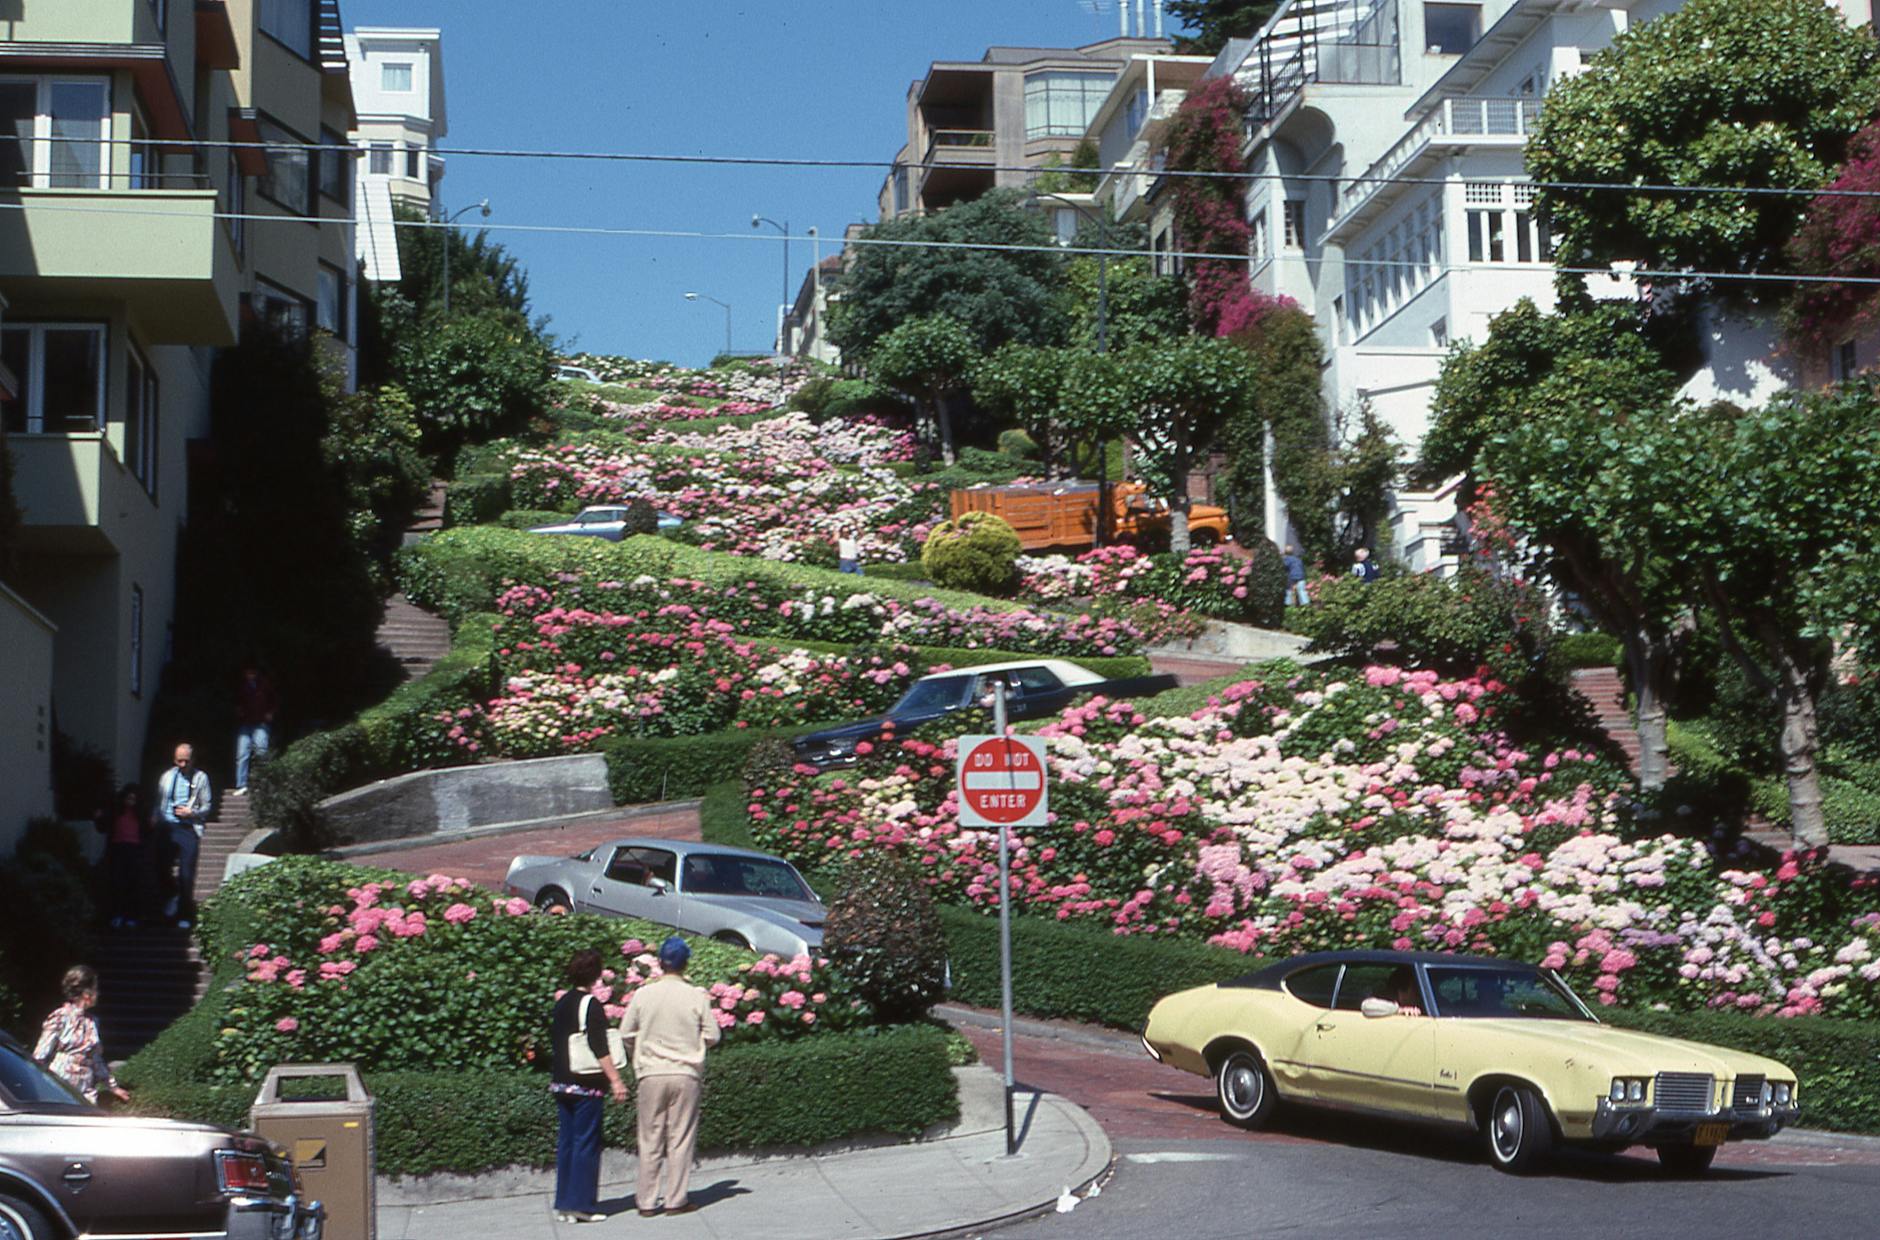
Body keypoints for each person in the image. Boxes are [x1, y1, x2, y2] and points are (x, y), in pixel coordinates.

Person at [620, 936, 721, 1218]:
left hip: (651, 1072)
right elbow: (713, 1035)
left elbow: (626, 1033)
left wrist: (638, 1054)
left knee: (650, 1137)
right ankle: (676, 1199)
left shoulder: (643, 994)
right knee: (680, 1138)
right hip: (685, 1072)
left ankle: (647, 1202)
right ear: (685, 963)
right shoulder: (695, 995)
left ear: (661, 963)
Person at [549, 948, 629, 1224]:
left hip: (562, 1083)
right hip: (586, 1085)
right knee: (586, 1144)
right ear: (595, 974)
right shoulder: (590, 1004)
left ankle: (565, 1204)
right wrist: (616, 1080)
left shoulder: (562, 1002)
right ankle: (582, 1205)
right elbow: (599, 1046)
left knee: (568, 1143)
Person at [34, 966, 129, 1105]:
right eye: (95, 989)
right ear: (86, 993)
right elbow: (40, 1055)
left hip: (85, 1088)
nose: (98, 993)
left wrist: (113, 1087)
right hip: (60, 1084)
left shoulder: (92, 1022)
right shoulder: (60, 1017)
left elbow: (96, 1059)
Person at [153, 742, 212, 929]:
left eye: (186, 761)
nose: (183, 764)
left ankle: (185, 914)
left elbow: (207, 806)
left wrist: (191, 812)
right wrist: (155, 817)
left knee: (187, 873)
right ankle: (172, 895)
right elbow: (159, 800)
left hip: (188, 828)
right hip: (167, 826)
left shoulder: (201, 778)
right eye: (179, 761)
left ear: (193, 760)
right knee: (161, 867)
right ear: (174, 760)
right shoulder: (167, 777)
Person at [97, 783, 148, 930]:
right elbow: (103, 827)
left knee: (133, 883)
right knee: (117, 882)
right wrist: (99, 817)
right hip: (118, 848)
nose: (131, 801)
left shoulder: (141, 813)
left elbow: (147, 832)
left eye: (133, 799)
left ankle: (132, 916)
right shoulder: (116, 812)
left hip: (135, 849)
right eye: (128, 798)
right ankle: (117, 914)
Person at [232, 663, 278, 795]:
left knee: (262, 752)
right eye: (248, 673)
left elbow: (274, 700)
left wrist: (270, 713)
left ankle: (263, 783)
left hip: (261, 722)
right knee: (242, 754)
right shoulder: (242, 687)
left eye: (252, 673)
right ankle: (241, 784)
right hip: (246, 723)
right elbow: (237, 702)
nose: (250, 676)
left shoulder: (264, 685)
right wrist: (239, 711)